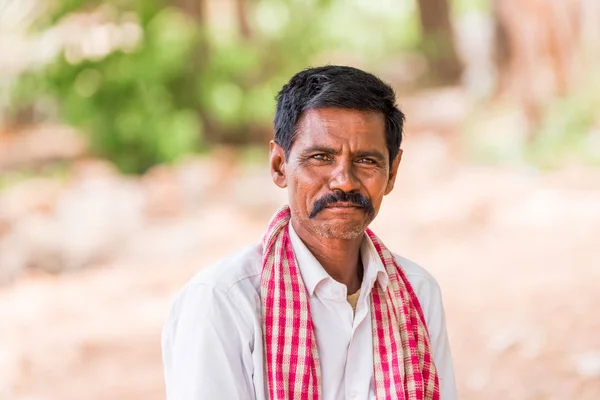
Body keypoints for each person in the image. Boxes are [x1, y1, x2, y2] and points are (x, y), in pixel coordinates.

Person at [161, 65, 457, 400]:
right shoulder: (224, 301)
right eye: (320, 157)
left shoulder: (418, 292)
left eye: (367, 161)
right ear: (279, 165)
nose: (344, 180)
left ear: (392, 173)